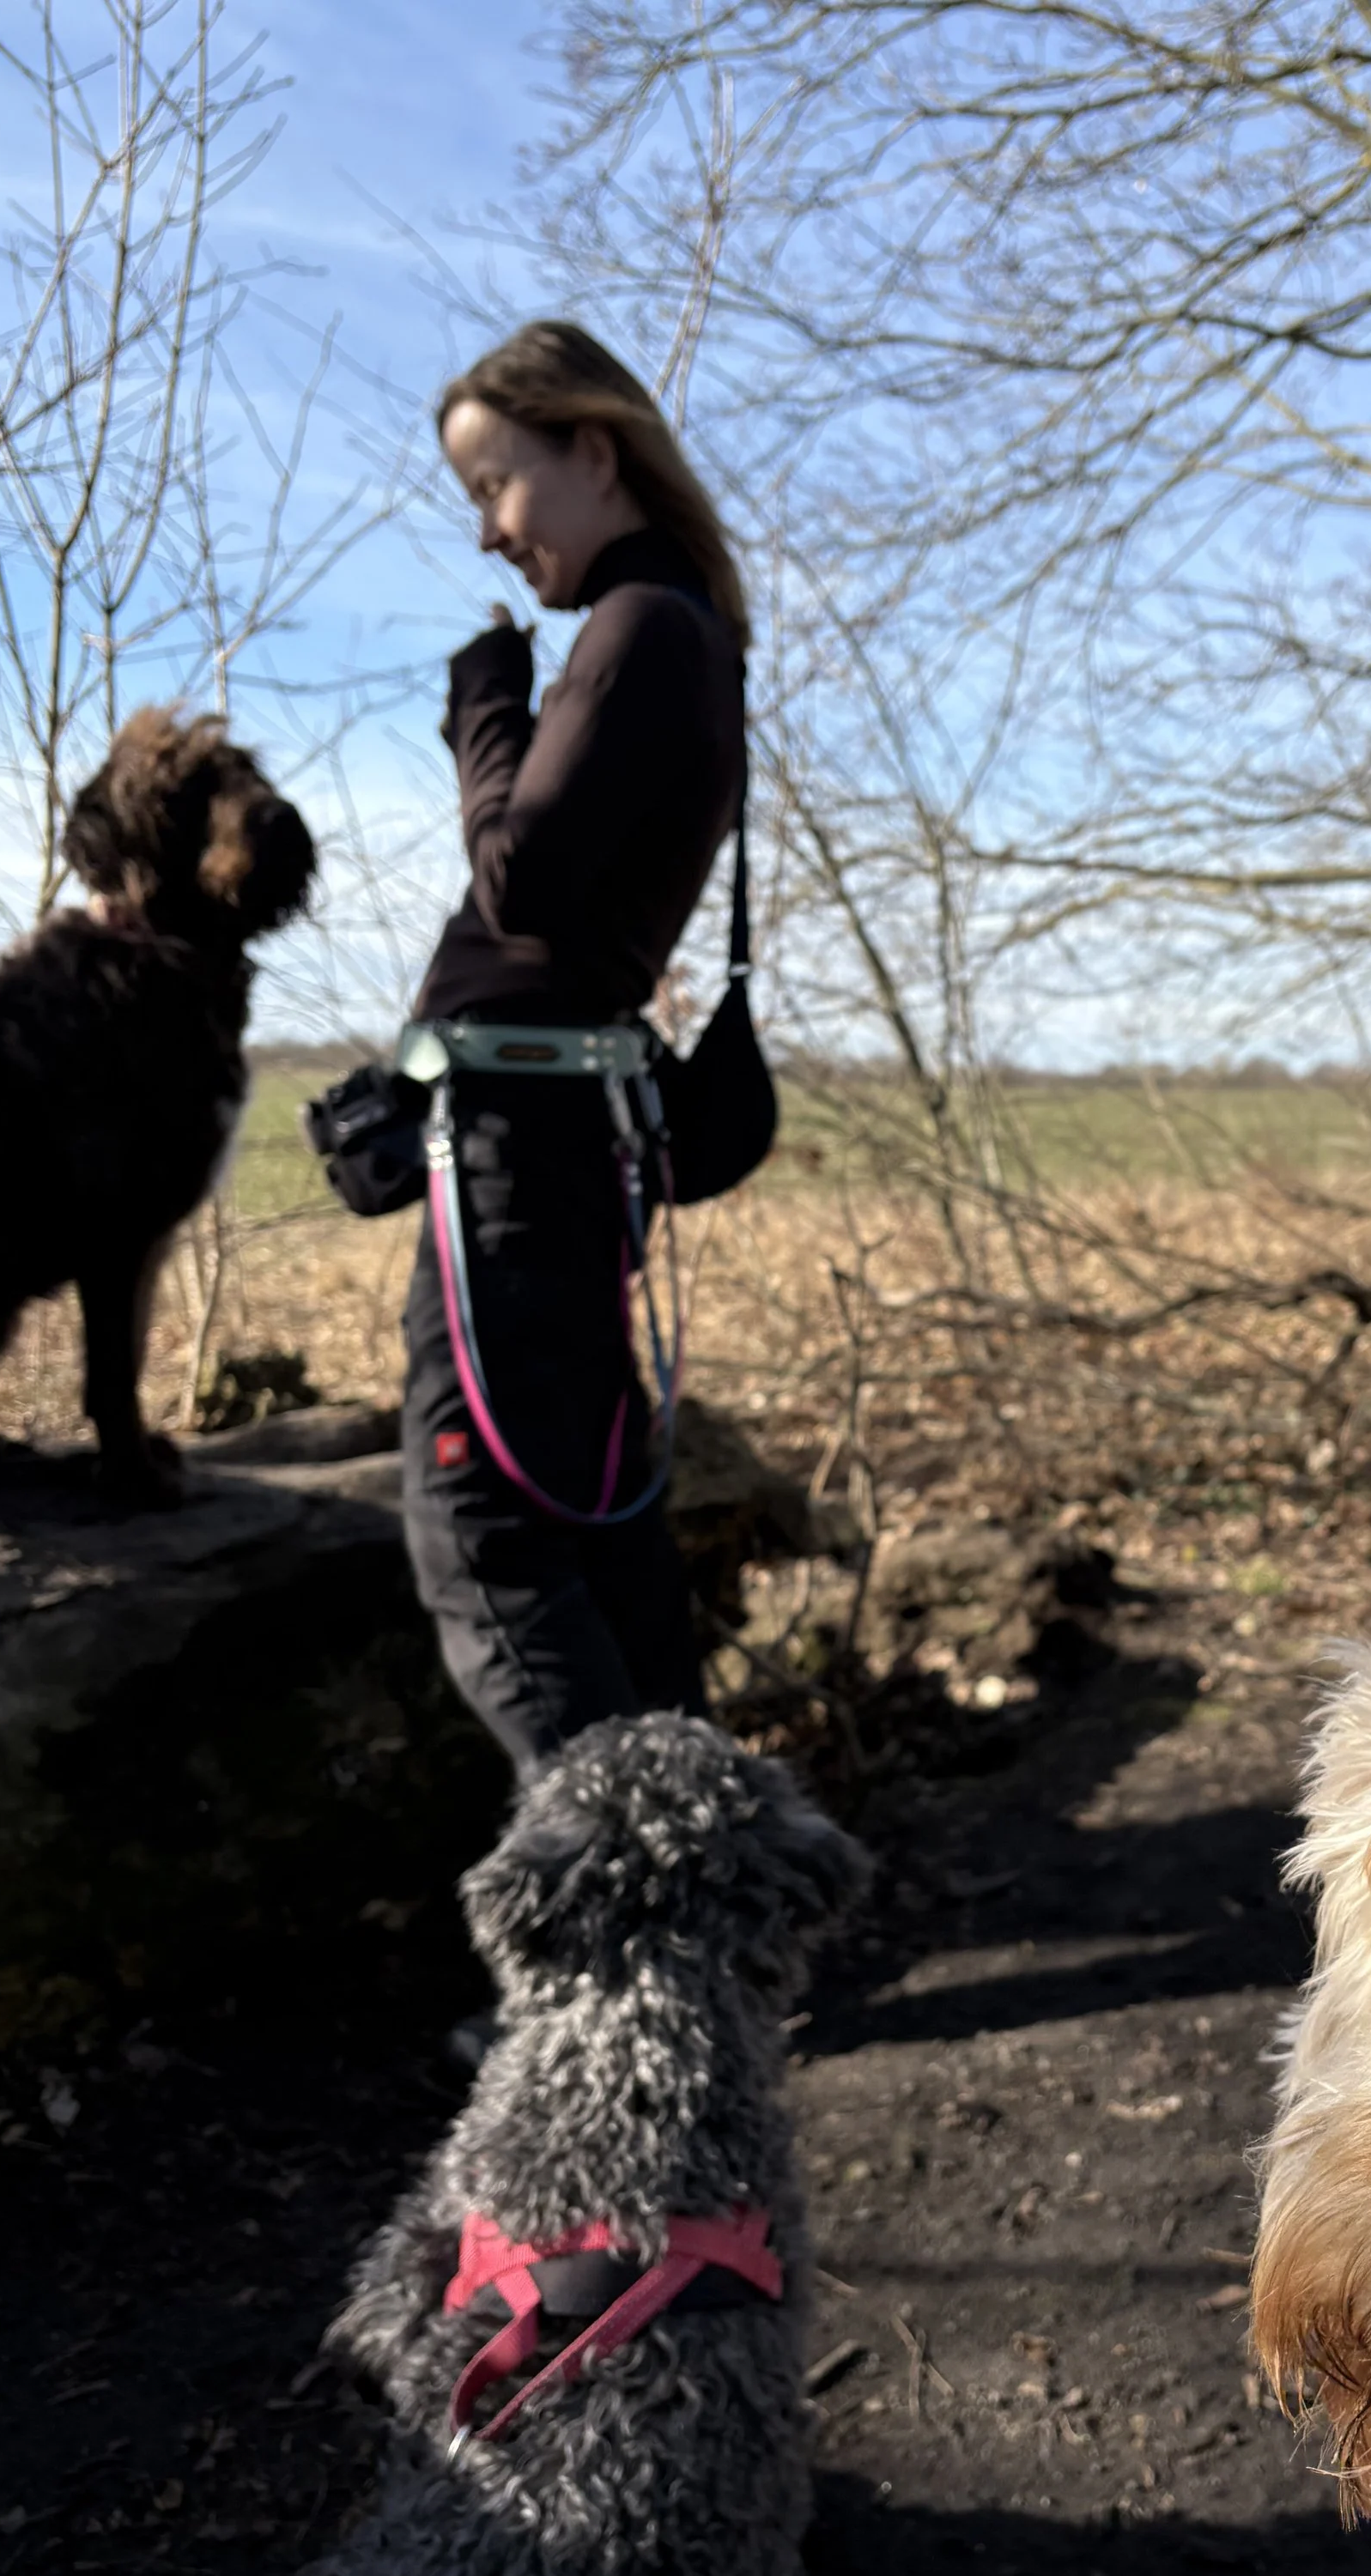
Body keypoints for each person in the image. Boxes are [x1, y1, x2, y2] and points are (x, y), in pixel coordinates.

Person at [400, 322, 748, 1774]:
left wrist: (484, 703)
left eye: (499, 484)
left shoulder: (643, 628)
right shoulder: (674, 630)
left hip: (522, 1159)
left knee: (489, 1533)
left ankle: (635, 1946)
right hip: (540, 1146)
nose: (490, 532)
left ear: (592, 450)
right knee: (587, 1518)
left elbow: (522, 879)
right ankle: (716, 1911)